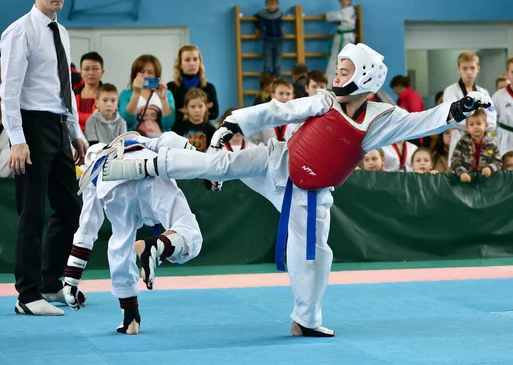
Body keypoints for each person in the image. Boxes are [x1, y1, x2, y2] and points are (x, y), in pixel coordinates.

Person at [102, 43, 490, 337]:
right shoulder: (324, 101)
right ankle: (142, 162)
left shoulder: (380, 120)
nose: (337, 76)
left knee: (316, 255)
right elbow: (279, 111)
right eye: (337, 68)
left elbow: (422, 123)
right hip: (277, 160)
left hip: (309, 192)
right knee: (218, 161)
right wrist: (236, 124)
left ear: (366, 76)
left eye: (345, 70)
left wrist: (459, 108)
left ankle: (306, 320)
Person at [0, 0, 88, 316]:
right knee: (32, 213)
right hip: (30, 127)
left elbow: (61, 88)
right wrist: (17, 139)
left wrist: (76, 132)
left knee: (69, 209)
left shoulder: (61, 32)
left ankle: (51, 284)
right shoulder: (19, 32)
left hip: (57, 125)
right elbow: (8, 92)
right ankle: (27, 295)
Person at [67, 131, 202, 334]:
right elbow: (167, 141)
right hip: (150, 173)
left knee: (121, 243)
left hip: (111, 185)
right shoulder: (130, 139)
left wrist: (71, 281)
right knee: (186, 229)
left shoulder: (91, 173)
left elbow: (86, 231)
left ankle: (130, 318)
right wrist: (205, 165)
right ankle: (156, 246)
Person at [451, 109, 501, 183]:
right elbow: (455, 161)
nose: (475, 127)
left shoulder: (492, 143)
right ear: (467, 128)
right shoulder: (462, 143)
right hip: (467, 180)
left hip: (486, 181)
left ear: (486, 125)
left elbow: (498, 161)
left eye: (479, 123)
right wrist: (462, 173)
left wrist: (490, 169)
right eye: (471, 125)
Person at [324, 0, 356, 86]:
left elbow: (331, 16)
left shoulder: (350, 11)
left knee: (344, 60)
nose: (344, 1)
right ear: (339, 1)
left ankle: (342, 82)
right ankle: (331, 82)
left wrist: (329, 16)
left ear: (350, 0)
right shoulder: (343, 12)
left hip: (347, 37)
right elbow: (334, 17)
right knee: (335, 58)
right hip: (340, 36)